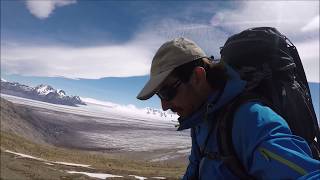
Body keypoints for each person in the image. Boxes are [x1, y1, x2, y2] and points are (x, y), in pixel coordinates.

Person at [136, 37, 320, 179]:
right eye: (160, 95)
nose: (164, 105)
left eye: (167, 92)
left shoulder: (250, 119)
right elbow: (195, 170)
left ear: (197, 77)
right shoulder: (200, 117)